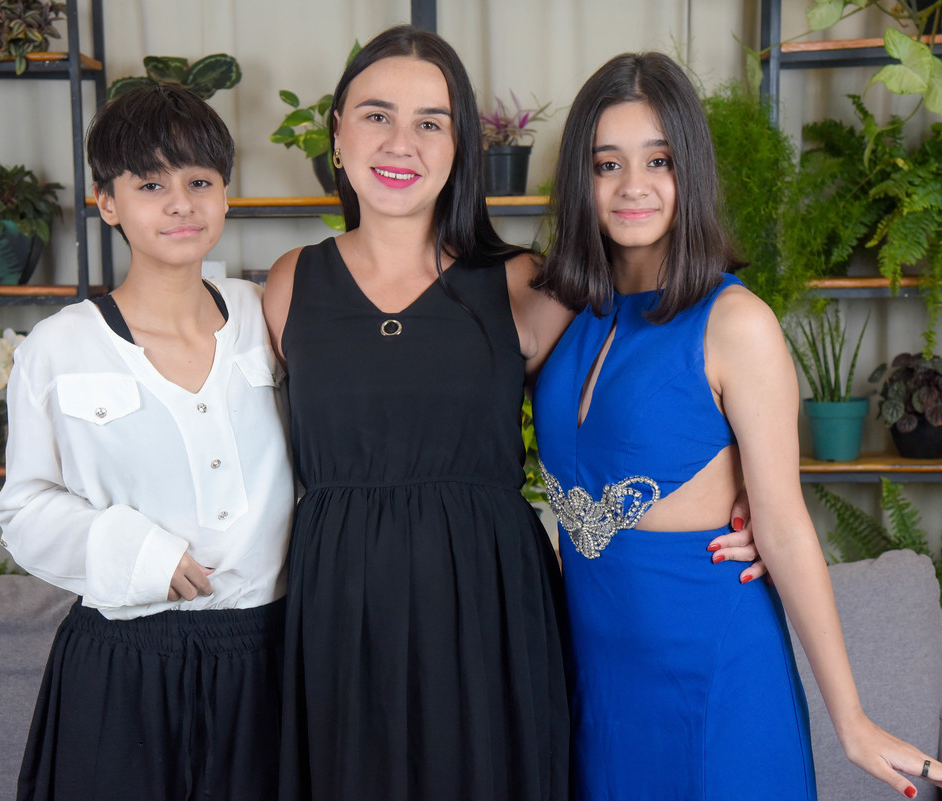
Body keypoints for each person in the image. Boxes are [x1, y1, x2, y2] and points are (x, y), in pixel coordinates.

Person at [261, 26, 763, 801]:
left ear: (461, 145)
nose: (401, 143)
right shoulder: (290, 283)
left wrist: (747, 489)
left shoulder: (525, 285)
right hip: (339, 614)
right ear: (337, 132)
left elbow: (633, 393)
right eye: (377, 115)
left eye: (431, 122)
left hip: (488, 611)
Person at [532, 51, 942, 801]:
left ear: (691, 171)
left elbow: (782, 527)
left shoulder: (735, 321)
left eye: (659, 160)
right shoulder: (565, 312)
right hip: (598, 689)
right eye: (606, 164)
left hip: (713, 679)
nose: (632, 186)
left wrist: (852, 720)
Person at [0, 84, 294, 801]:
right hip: (124, 661)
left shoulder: (268, 315)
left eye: (199, 182)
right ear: (108, 202)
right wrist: (141, 554)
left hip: (270, 655)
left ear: (225, 194)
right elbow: (22, 507)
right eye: (151, 185)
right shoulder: (58, 347)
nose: (180, 204)